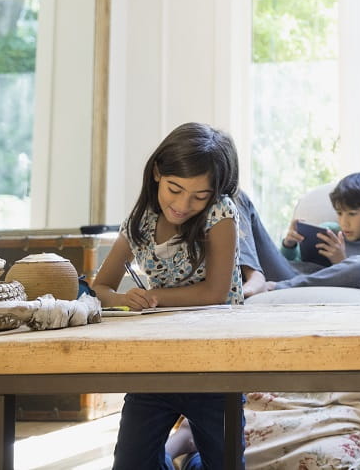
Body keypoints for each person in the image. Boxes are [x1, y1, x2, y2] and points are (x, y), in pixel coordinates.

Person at [91, 122, 246, 470]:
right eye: (175, 189)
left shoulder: (220, 215)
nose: (182, 204)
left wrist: (154, 296)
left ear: (214, 193)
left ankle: (191, 460)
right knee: (130, 464)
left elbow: (215, 292)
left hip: (217, 362)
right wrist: (125, 299)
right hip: (156, 361)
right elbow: (100, 289)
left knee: (224, 463)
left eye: (199, 196)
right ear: (158, 173)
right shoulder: (141, 221)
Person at [259, 172, 360, 292]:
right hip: (293, 276)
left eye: (352, 214)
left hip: (296, 284)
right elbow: (292, 264)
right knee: (245, 205)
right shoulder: (330, 230)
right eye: (340, 213)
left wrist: (341, 262)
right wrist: (289, 245)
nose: (344, 222)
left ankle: (281, 287)